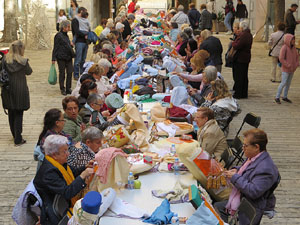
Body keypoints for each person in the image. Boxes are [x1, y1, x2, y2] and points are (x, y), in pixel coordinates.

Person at [214, 129, 279, 225]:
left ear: (256, 147)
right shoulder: (255, 157)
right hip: (242, 198)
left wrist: (235, 177)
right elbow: (247, 169)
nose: (243, 148)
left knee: (216, 208)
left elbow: (253, 191)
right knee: (216, 206)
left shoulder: (266, 168)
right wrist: (236, 170)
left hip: (250, 206)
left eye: (245, 146)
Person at [33, 135, 94, 224]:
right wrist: (83, 176)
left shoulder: (57, 162)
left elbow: (71, 171)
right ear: (54, 155)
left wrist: (85, 167)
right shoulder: (49, 172)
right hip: (55, 213)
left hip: (61, 202)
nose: (68, 154)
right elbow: (67, 193)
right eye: (64, 151)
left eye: (67, 150)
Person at [0, 40, 32, 146]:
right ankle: (18, 138)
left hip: (8, 89)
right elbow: (29, 71)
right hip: (20, 89)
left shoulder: (5, 60)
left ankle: (15, 135)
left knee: (11, 112)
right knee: (19, 113)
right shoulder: (23, 61)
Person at [275, 33, 299, 104]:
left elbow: (297, 57)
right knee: (283, 83)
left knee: (288, 83)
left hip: (292, 69)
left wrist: (297, 64)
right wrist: (287, 65)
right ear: (289, 40)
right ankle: (277, 97)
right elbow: (281, 58)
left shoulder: (294, 48)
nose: (294, 41)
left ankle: (285, 96)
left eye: (294, 39)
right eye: (292, 39)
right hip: (286, 69)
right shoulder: (284, 47)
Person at [52, 20, 75, 96]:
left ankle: (68, 88)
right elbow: (55, 47)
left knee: (69, 72)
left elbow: (67, 45)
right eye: (68, 27)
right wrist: (53, 58)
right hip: (61, 57)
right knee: (62, 73)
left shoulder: (66, 35)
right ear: (63, 27)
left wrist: (71, 45)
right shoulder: (58, 35)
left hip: (68, 56)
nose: (69, 28)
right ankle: (62, 88)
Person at [231, 20, 253, 99]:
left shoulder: (244, 35)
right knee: (243, 76)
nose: (239, 29)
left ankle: (239, 93)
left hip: (241, 58)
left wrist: (233, 43)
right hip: (245, 57)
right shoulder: (248, 34)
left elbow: (237, 45)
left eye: (240, 27)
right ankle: (243, 92)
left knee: (239, 76)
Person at [72, 7, 90, 80]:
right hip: (79, 41)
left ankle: (82, 73)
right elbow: (76, 31)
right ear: (81, 11)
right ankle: (76, 74)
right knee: (78, 59)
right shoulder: (75, 20)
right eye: (84, 12)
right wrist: (84, 35)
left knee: (83, 59)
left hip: (85, 42)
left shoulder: (85, 20)